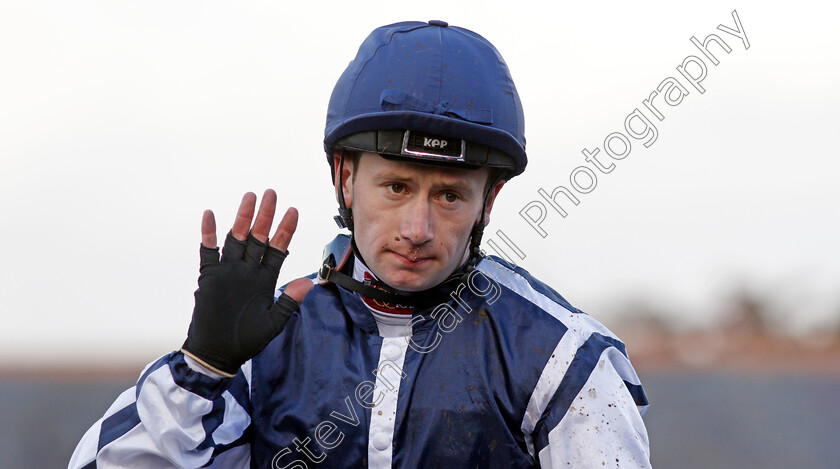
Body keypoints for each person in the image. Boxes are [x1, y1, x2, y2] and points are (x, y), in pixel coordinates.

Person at [69, 20, 651, 468]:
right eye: (396, 187)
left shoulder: (564, 359)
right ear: (346, 179)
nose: (417, 229)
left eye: (449, 196)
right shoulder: (263, 350)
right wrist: (202, 368)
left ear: (488, 201)